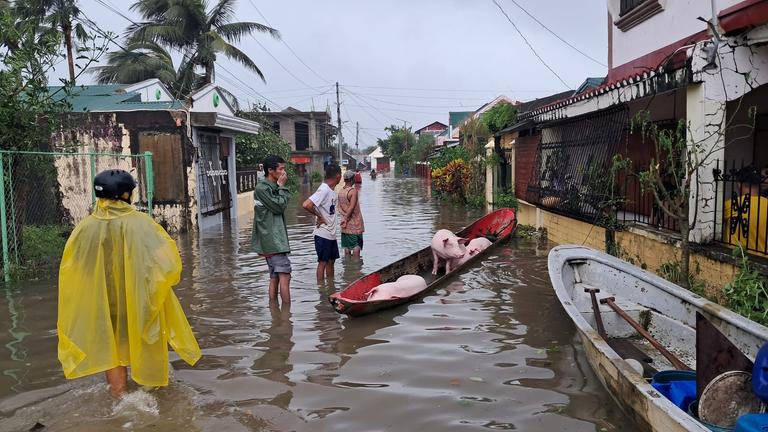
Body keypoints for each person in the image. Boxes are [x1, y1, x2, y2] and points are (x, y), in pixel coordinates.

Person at [58, 169, 201, 398]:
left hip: (103, 303)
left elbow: (74, 268)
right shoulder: (143, 224)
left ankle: (120, 396)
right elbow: (168, 264)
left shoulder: (83, 229)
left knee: (112, 350)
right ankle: (151, 393)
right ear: (126, 195)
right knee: (146, 341)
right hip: (139, 299)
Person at [252, 155, 292, 304]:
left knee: (275, 276)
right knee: (285, 276)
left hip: (272, 241)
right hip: (274, 241)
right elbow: (279, 206)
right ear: (270, 170)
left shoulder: (269, 187)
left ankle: (275, 313)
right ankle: (287, 315)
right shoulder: (262, 188)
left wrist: (279, 187)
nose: (283, 172)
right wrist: (281, 187)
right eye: (281, 169)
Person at [303, 164, 342, 280]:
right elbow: (306, 204)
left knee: (331, 261)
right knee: (323, 262)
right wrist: (319, 216)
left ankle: (330, 286)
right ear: (338, 176)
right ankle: (321, 288)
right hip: (323, 233)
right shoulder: (324, 189)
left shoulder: (330, 191)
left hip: (331, 233)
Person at [724, 170, 768, 256]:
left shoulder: (730, 204)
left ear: (739, 184)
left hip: (737, 258)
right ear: (759, 184)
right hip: (762, 259)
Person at [339, 170, 365, 258]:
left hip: (345, 226)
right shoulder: (353, 191)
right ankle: (356, 266)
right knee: (356, 246)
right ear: (351, 180)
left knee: (347, 247)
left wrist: (344, 220)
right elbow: (352, 207)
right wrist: (346, 219)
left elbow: (339, 207)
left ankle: (348, 265)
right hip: (355, 224)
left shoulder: (341, 192)